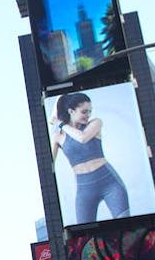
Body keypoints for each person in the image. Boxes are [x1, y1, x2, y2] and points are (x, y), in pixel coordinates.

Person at [51, 92, 131, 224]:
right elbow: (48, 165)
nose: (88, 115)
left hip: (109, 182)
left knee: (127, 226)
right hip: (84, 188)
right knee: (83, 236)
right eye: (84, 112)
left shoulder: (95, 123)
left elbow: (82, 138)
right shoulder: (58, 136)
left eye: (89, 111)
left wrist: (61, 124)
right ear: (71, 111)